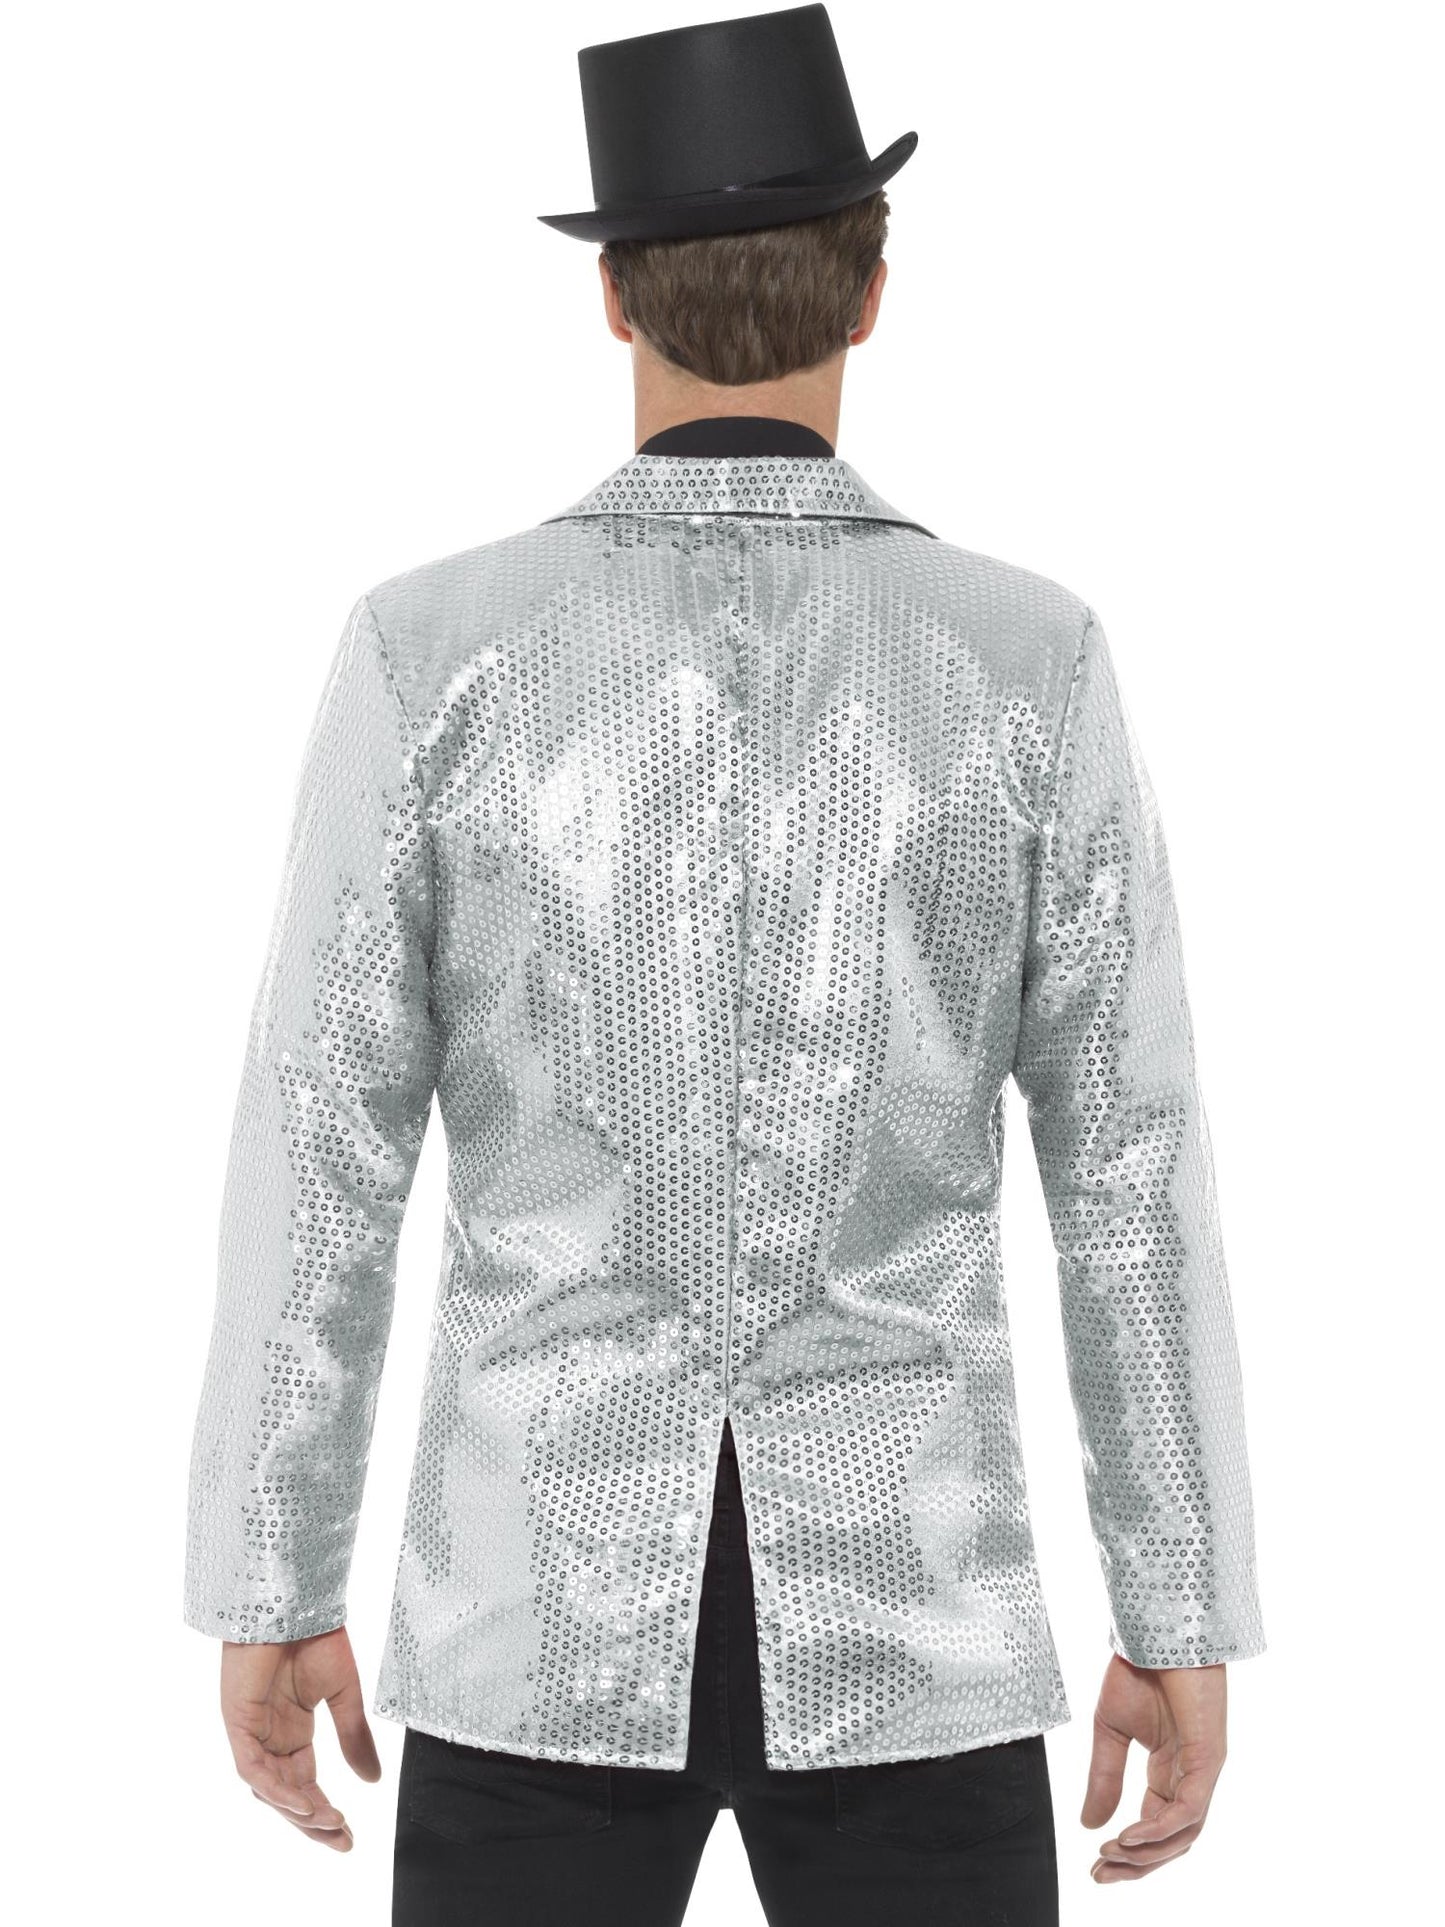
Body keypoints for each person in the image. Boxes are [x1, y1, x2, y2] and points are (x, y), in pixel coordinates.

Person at [182, 6, 1266, 1922]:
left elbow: (320, 1147)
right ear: (873, 289)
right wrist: (1176, 1607)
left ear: (612, 296)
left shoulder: (433, 655)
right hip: (910, 1609)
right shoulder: (1026, 662)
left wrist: (271, 1576)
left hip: (533, 1601)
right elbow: (1129, 1176)